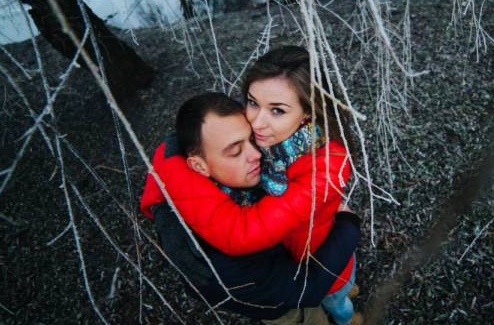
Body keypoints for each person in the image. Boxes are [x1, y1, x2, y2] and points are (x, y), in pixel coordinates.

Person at [142, 46, 361, 324]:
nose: (256, 122)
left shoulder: (326, 167)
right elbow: (184, 141)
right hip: (285, 268)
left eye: (277, 110)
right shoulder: (265, 138)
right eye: (252, 102)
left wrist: (348, 226)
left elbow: (244, 231)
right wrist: (164, 209)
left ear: (307, 112)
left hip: (323, 264)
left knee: (339, 302)